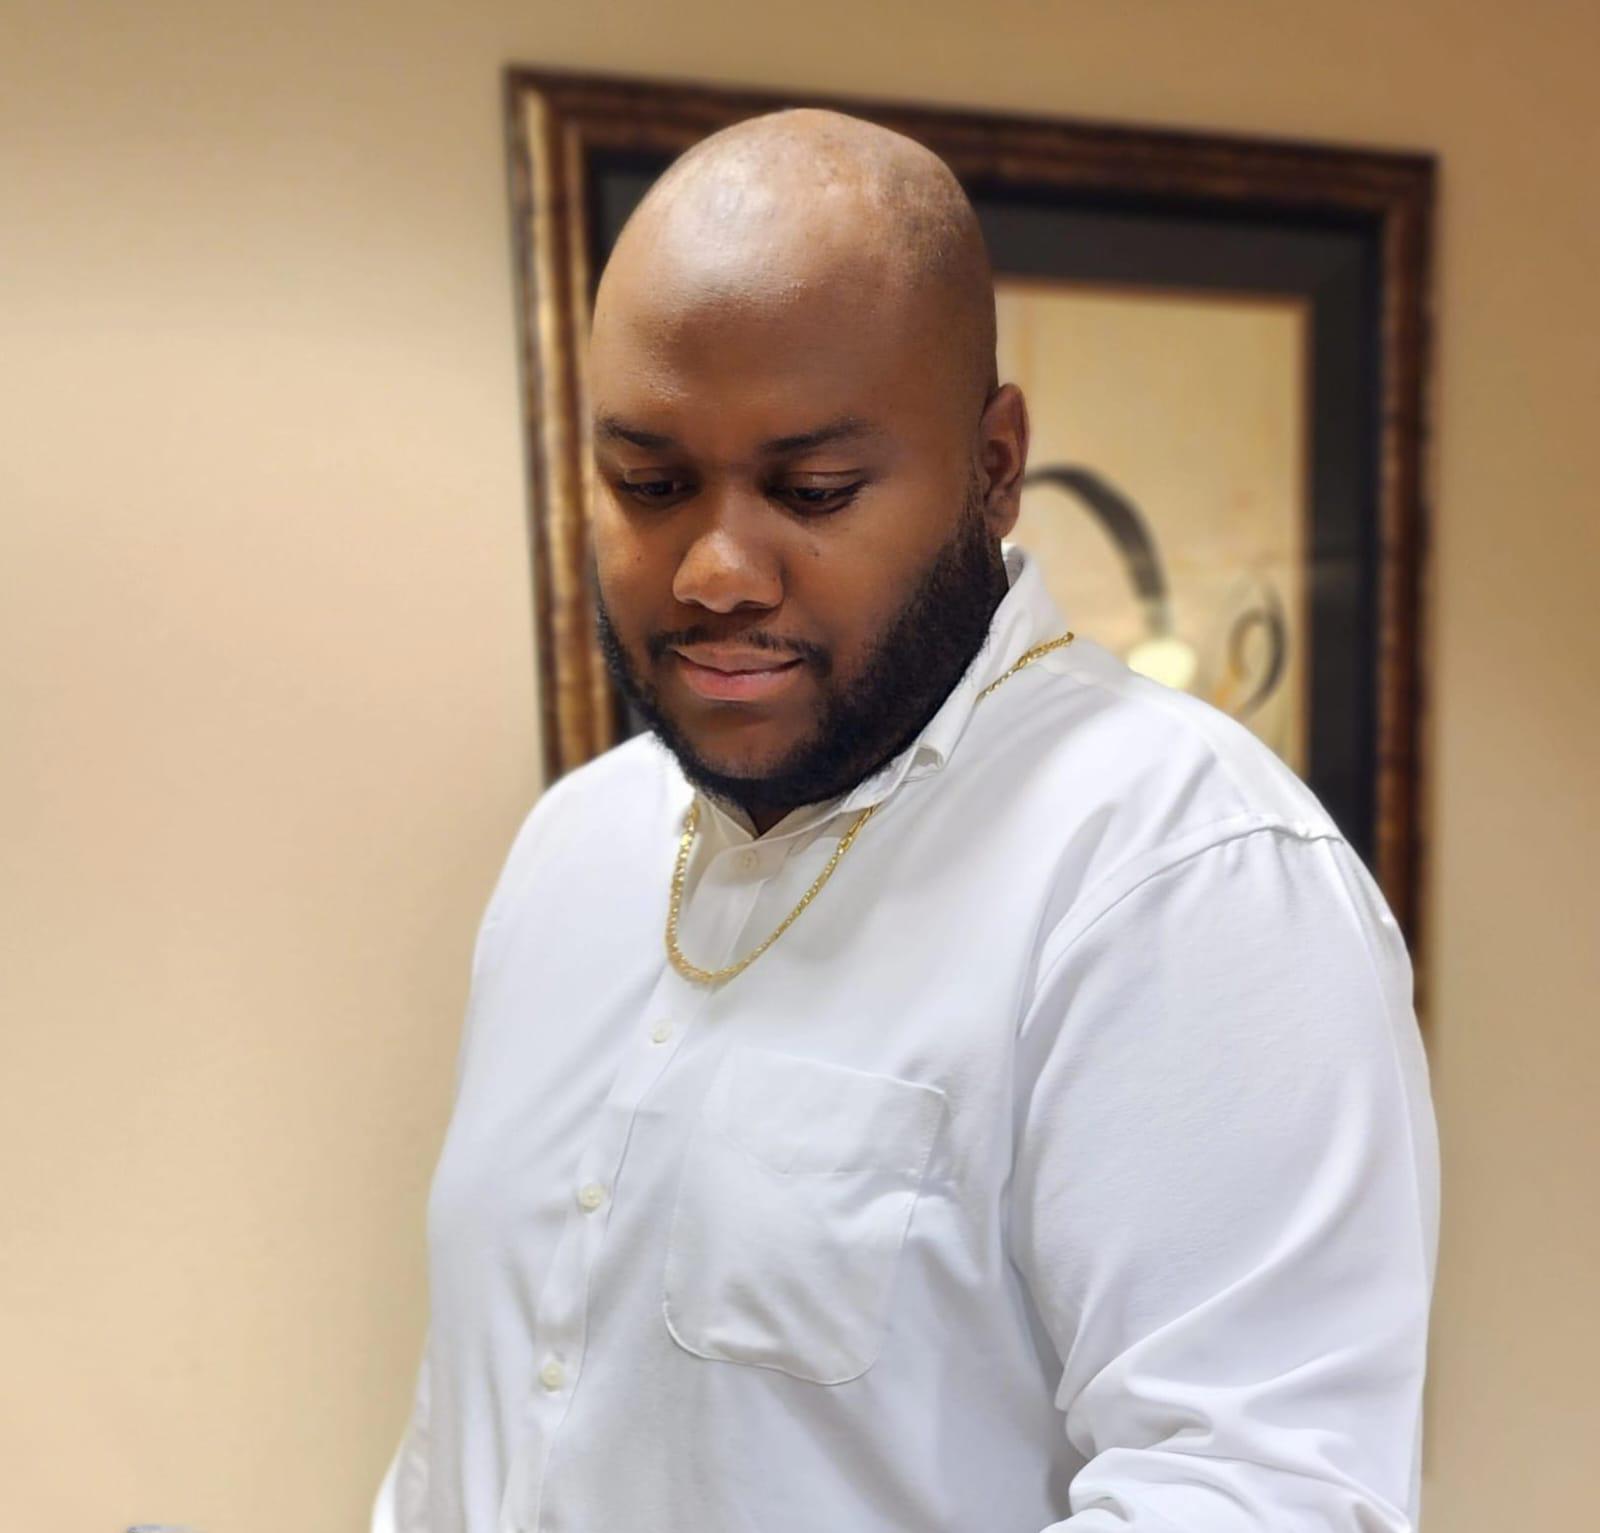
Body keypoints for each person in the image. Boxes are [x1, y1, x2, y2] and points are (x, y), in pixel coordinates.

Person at [371, 107, 1438, 1533]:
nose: (715, 570)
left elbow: (1258, 1498)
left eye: (812, 491)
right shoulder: (575, 844)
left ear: (993, 468)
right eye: (650, 485)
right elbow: (474, 1434)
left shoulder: (1183, 875)